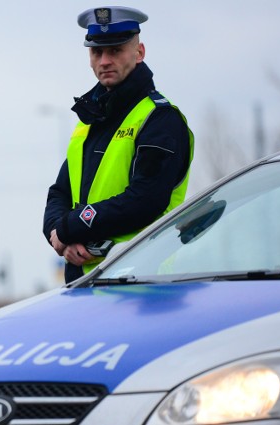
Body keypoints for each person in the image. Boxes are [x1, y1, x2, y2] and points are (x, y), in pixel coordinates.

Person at [43, 6, 194, 283]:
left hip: (145, 287)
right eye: (96, 52)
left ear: (139, 53)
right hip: (83, 285)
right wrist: (60, 235)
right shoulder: (87, 122)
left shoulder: (160, 119)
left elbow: (145, 200)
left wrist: (71, 227)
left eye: (115, 50)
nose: (104, 61)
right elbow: (60, 193)